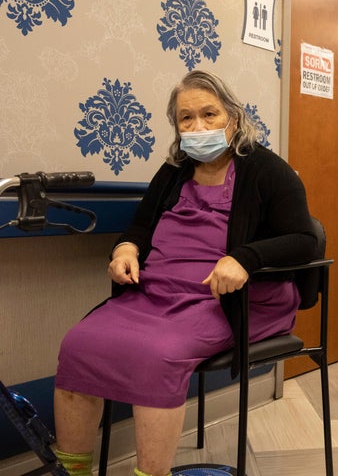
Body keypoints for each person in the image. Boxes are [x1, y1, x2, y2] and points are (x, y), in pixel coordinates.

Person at [53, 70, 317, 476]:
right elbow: (140, 228)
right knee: (78, 344)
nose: (199, 127)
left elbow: (303, 239)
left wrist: (244, 258)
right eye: (186, 118)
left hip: (234, 298)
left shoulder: (268, 171)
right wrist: (125, 249)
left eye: (210, 114)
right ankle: (73, 472)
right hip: (157, 292)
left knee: (157, 355)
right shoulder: (174, 171)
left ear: (233, 116)